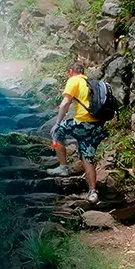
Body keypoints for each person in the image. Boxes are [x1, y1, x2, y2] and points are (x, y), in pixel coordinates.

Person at [47, 61, 106, 204]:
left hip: (82, 122)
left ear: (70, 71)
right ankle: (93, 191)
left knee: (56, 133)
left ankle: (63, 167)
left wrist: (57, 123)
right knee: (87, 157)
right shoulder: (91, 83)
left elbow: (65, 103)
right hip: (96, 126)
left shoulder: (73, 80)